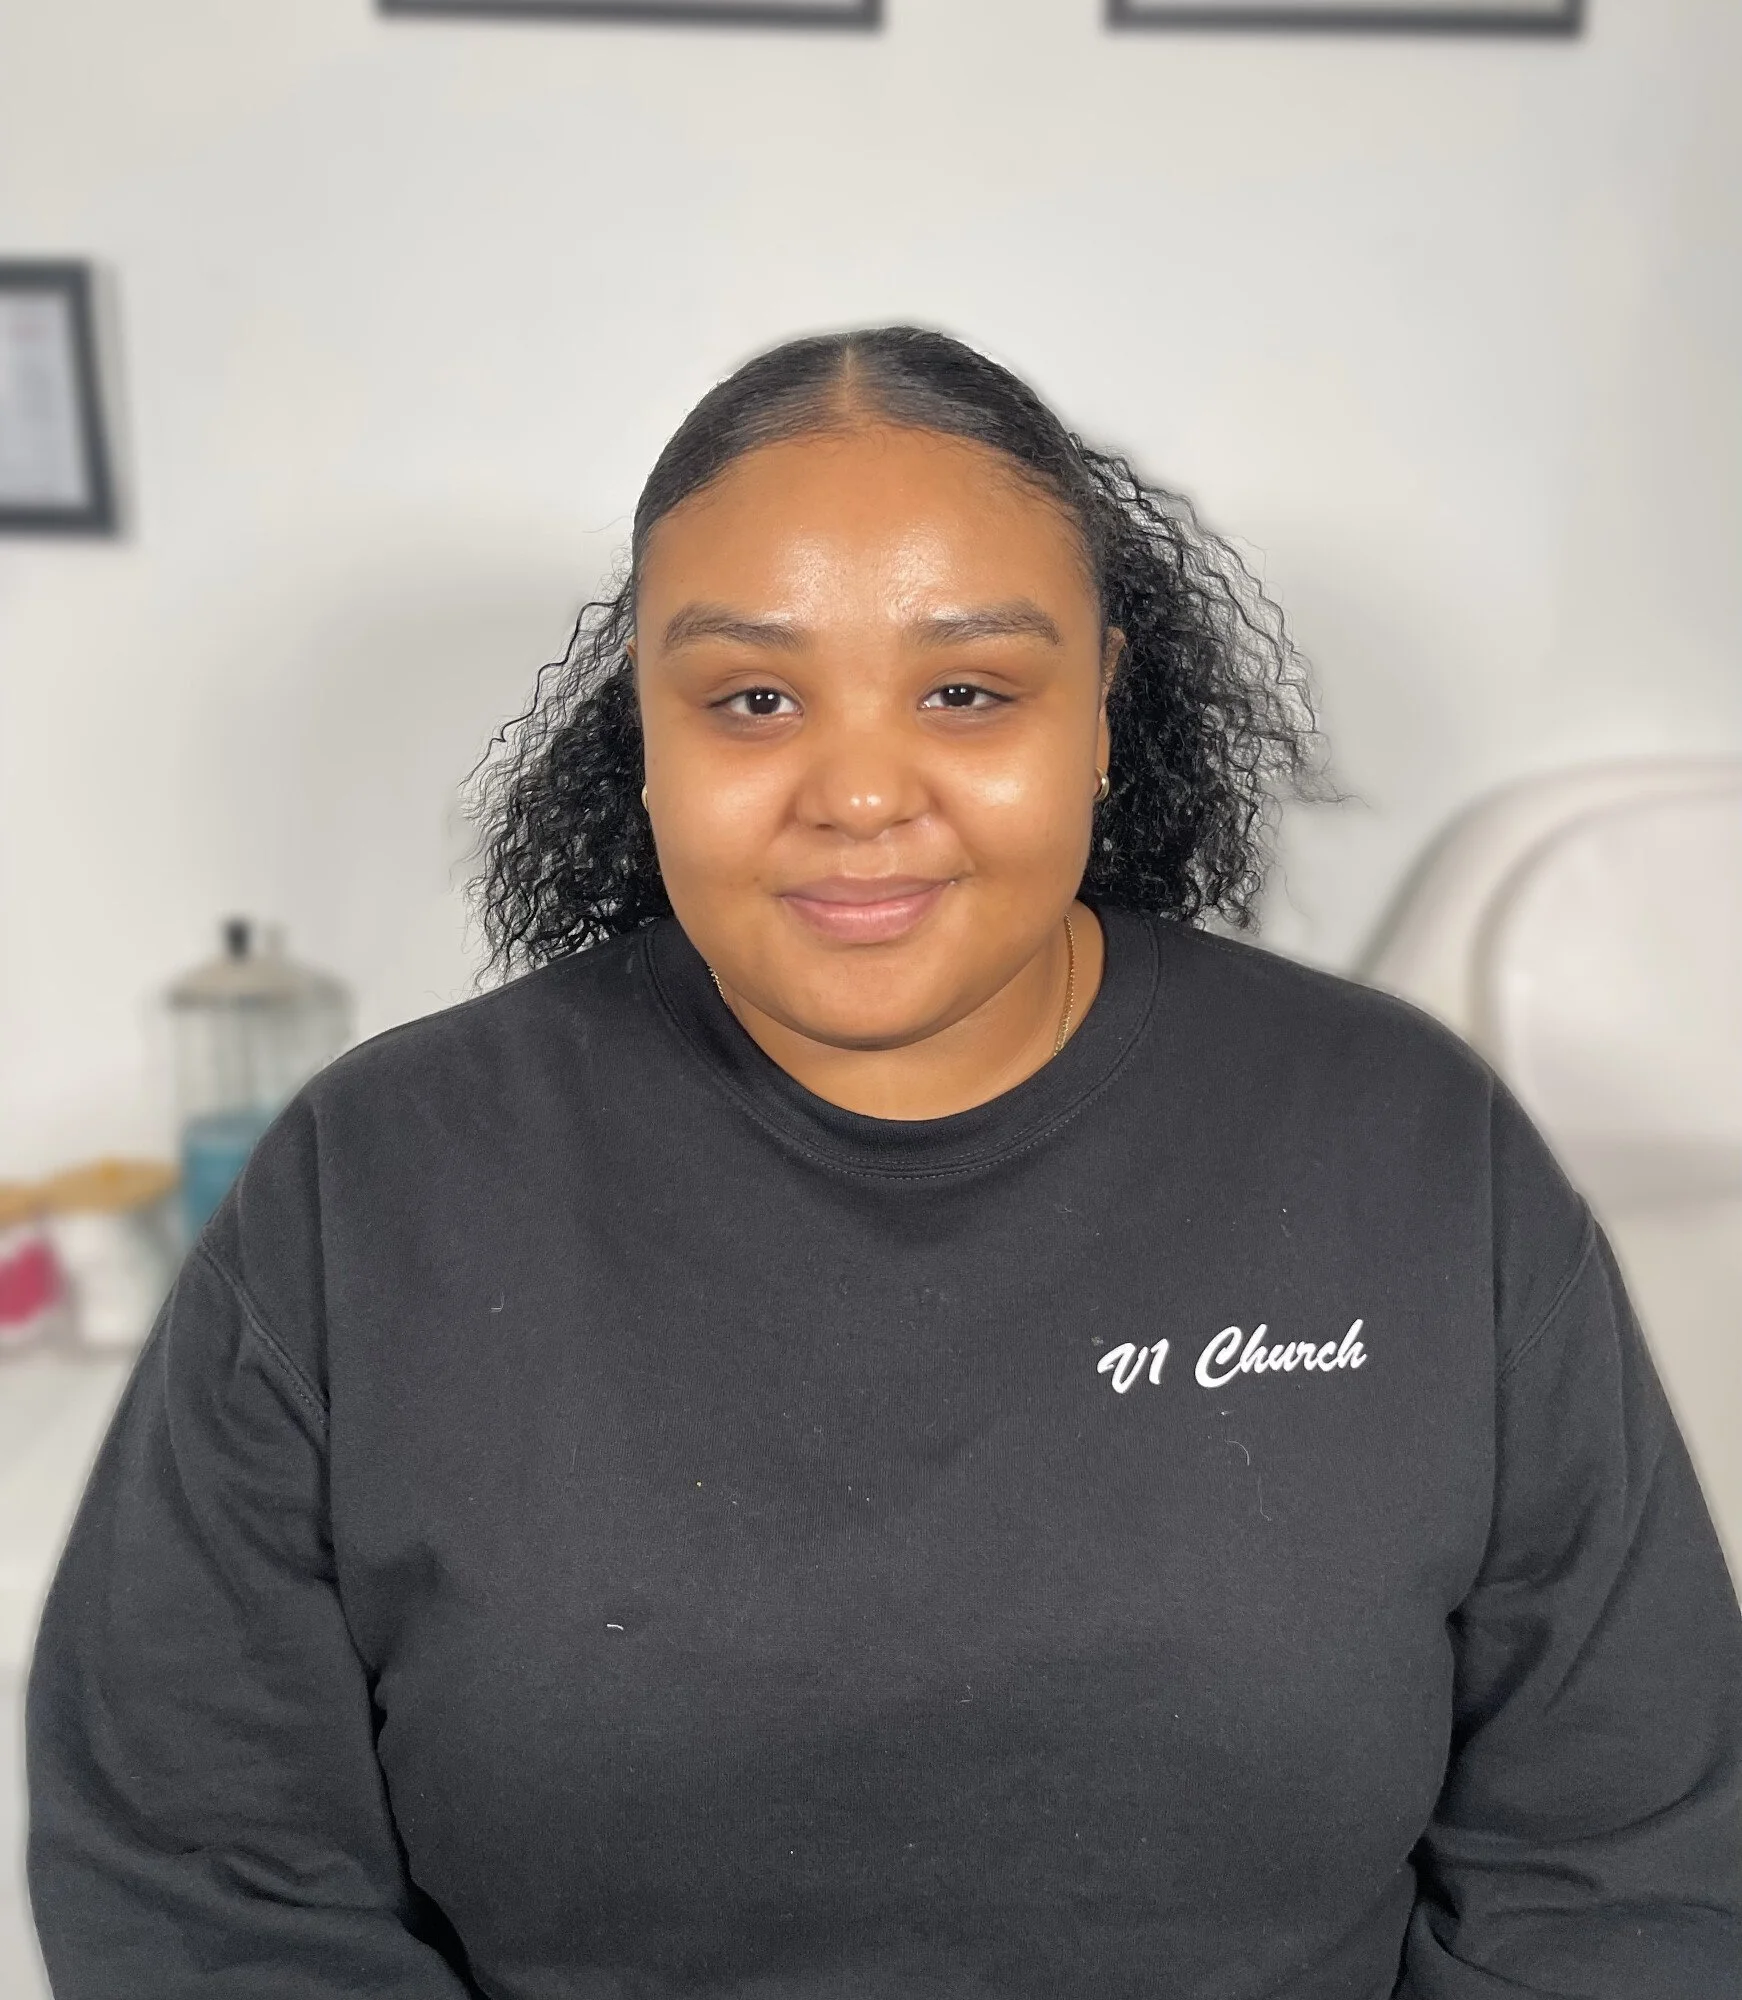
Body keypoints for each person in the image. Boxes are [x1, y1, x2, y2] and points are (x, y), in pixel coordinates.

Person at [25, 327, 1742, 1999]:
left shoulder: (1409, 1146)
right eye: (753, 696)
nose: (858, 791)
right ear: (649, 725)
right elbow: (208, 1875)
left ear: (1097, 708)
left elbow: (1621, 1848)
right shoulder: (369, 1184)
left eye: (967, 691)